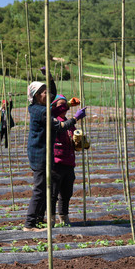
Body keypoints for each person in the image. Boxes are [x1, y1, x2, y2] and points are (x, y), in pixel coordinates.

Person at [24, 68, 87, 231]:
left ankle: (37, 221)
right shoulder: (42, 112)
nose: (48, 94)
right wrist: (75, 118)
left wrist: (50, 77)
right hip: (40, 155)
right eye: (44, 92)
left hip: (47, 155)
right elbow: (61, 126)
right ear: (37, 96)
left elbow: (53, 94)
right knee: (40, 190)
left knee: (46, 190)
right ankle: (30, 224)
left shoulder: (41, 107)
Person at [51, 94, 80, 226]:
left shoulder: (69, 122)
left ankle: (64, 217)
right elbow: (62, 127)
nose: (64, 107)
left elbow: (72, 137)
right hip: (56, 162)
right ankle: (51, 219)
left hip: (69, 162)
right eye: (61, 104)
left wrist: (79, 143)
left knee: (67, 193)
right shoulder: (53, 121)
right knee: (53, 193)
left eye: (65, 104)